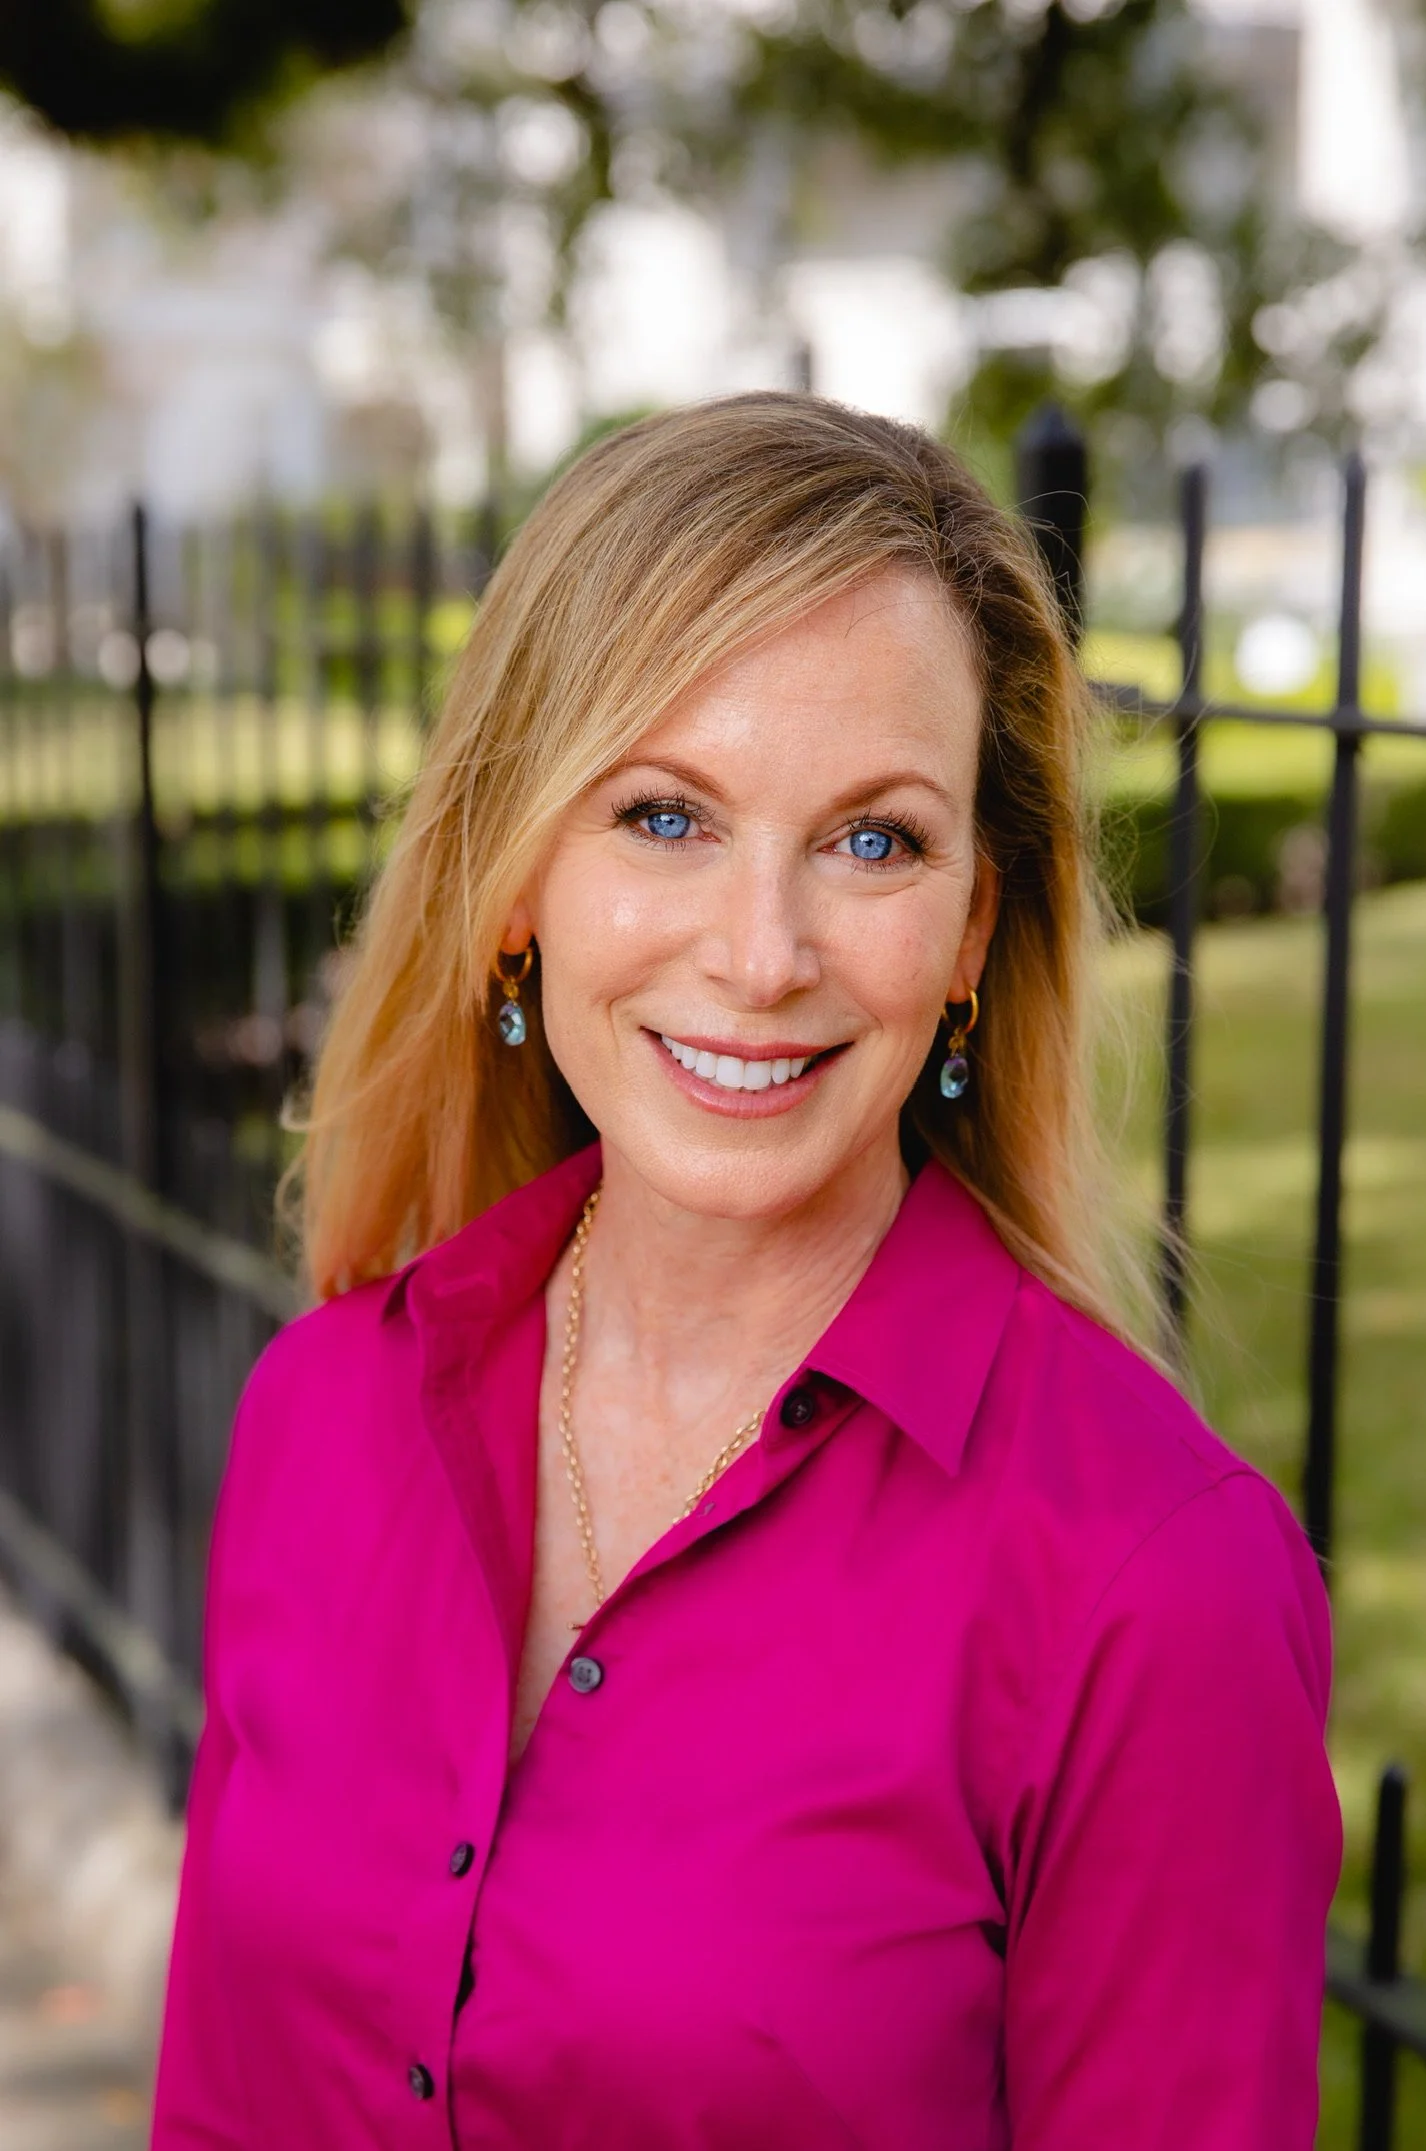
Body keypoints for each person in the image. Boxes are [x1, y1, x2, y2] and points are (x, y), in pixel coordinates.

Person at [151, 393, 1341, 2150]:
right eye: (663, 814)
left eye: (874, 840)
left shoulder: (1150, 1588)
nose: (763, 955)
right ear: (517, 875)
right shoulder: (324, 1411)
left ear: (972, 933)